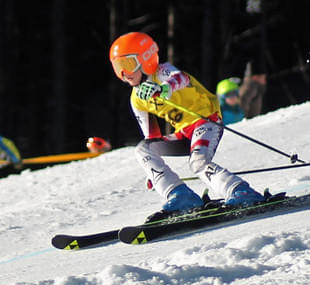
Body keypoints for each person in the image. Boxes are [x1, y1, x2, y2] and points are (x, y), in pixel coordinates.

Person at [109, 32, 264, 220]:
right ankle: (180, 196)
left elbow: (181, 78)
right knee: (143, 149)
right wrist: (154, 172)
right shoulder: (137, 100)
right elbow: (152, 138)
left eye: (127, 65)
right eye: (118, 68)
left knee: (198, 162)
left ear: (146, 59)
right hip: (183, 133)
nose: (124, 74)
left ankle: (241, 192)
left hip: (206, 121)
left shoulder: (162, 72)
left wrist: (164, 88)